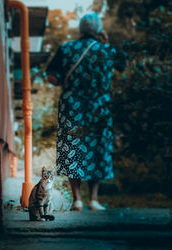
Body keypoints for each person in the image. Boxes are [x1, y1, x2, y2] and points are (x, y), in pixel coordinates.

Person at [46, 13, 126, 211]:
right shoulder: (107, 50)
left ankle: (76, 200)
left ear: (80, 29)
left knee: (74, 149)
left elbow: (51, 76)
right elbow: (122, 65)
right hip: (99, 106)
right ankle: (94, 199)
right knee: (97, 148)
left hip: (72, 106)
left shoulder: (66, 49)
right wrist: (106, 42)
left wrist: (64, 81)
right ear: (99, 30)